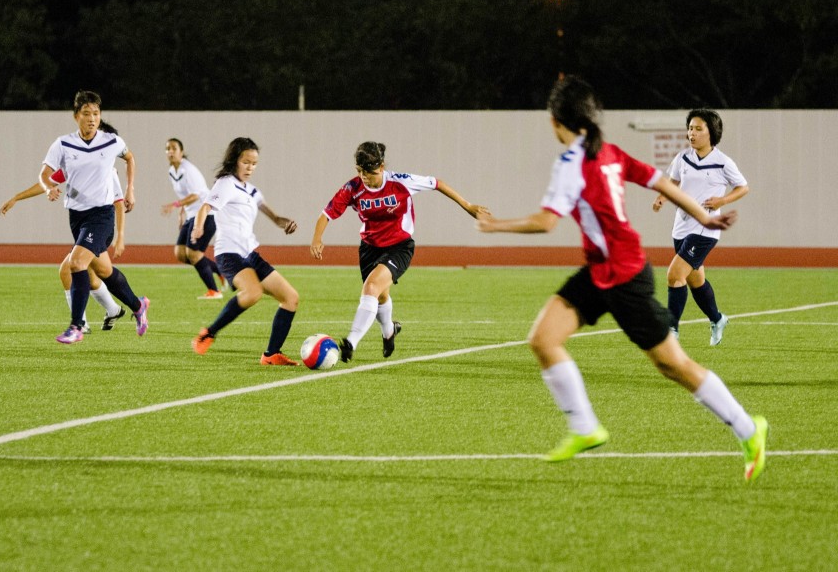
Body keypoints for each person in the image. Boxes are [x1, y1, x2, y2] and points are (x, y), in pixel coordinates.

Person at [475, 75, 767, 482]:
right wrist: (704, 216)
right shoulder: (608, 151)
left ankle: (749, 430)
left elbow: (546, 223)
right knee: (543, 339)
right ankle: (584, 428)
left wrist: (494, 226)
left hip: (625, 275)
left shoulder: (571, 163)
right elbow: (662, 182)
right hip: (601, 271)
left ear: (558, 121)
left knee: (674, 365)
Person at [310, 141, 489, 362]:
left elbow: (437, 183)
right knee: (380, 295)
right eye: (361, 171)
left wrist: (468, 205)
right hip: (369, 248)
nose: (365, 177)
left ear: (382, 166)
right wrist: (317, 238)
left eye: (371, 172)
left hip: (399, 247)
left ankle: (351, 342)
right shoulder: (352, 188)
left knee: (372, 287)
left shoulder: (401, 182)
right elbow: (326, 214)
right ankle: (389, 331)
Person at [41, 90, 149, 344]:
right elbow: (44, 174)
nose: (92, 118)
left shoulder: (111, 141)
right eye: (87, 113)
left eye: (96, 114)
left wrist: (131, 188)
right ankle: (138, 305)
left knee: (76, 264)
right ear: (76, 116)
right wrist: (49, 187)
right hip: (77, 216)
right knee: (104, 271)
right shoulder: (63, 144)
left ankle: (76, 326)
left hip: (101, 216)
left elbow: (130, 158)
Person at [189, 137, 301, 365]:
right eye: (246, 162)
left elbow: (274, 217)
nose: (250, 167)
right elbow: (206, 206)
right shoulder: (226, 183)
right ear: (235, 160)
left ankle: (271, 355)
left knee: (291, 298)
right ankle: (208, 333)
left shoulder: (252, 191)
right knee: (253, 294)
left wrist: (285, 222)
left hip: (251, 254)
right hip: (229, 254)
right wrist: (199, 227)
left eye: (254, 163)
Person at [1, 135, 128, 332]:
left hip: (100, 227)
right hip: (86, 226)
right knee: (93, 272)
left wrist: (120, 236)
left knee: (72, 268)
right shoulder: (77, 167)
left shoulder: (107, 172)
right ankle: (115, 309)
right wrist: (17, 197)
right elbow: (48, 182)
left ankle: (81, 324)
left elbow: (119, 203)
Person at [652, 109, 748, 345]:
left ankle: (671, 330)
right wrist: (663, 197)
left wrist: (721, 201)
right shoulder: (683, 157)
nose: (691, 133)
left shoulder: (723, 162)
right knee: (695, 281)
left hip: (706, 228)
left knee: (674, 275)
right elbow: (673, 181)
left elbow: (743, 187)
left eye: (698, 129)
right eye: (690, 128)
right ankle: (717, 318)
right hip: (682, 226)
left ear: (711, 133)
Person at [160, 137, 224, 299]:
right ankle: (219, 270)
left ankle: (214, 291)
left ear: (182, 152)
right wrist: (181, 214)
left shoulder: (188, 170)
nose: (171, 151)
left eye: (174, 148)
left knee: (194, 254)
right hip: (191, 215)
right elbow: (185, 195)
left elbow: (196, 195)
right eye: (168, 149)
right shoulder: (172, 171)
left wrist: (174, 205)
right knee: (181, 253)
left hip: (206, 215)